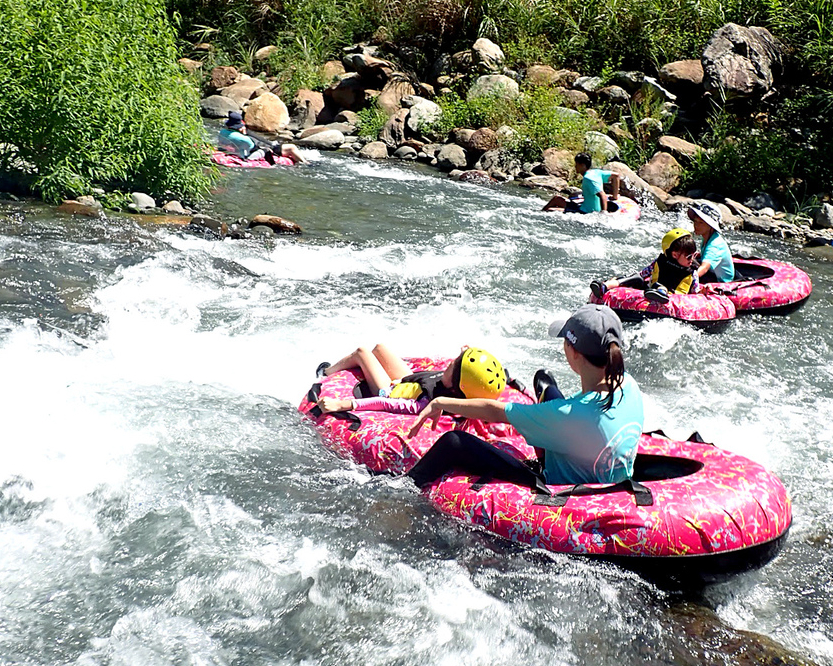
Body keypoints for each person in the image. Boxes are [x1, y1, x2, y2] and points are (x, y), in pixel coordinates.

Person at [405, 304, 644, 492]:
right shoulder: (630, 386)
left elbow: (495, 411)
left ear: (574, 353)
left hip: (564, 490)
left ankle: (402, 488)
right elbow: (575, 412)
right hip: (605, 471)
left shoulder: (565, 416)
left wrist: (440, 402)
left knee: (454, 441)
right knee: (544, 381)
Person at [315, 344, 506, 415]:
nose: (451, 363)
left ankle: (325, 372)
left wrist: (342, 405)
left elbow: (385, 404)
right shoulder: (455, 385)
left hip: (389, 391)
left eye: (455, 364)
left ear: (459, 384)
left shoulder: (428, 403)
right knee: (379, 348)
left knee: (362, 353)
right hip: (410, 382)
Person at [589, 228, 700, 304]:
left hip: (673, 297)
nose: (692, 260)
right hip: (651, 290)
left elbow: (695, 293)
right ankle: (605, 286)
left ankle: (661, 292)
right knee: (636, 278)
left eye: (694, 255)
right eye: (689, 256)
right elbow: (643, 274)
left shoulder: (692, 272)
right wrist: (623, 280)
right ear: (674, 255)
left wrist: (703, 292)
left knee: (659, 286)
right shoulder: (659, 262)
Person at [542, 153, 621, 214]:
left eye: (577, 164)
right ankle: (540, 212)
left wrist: (603, 213)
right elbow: (616, 176)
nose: (575, 166)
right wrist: (615, 196)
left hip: (586, 211)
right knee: (556, 199)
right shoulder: (596, 172)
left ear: (583, 165)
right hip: (583, 205)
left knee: (550, 210)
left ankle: (540, 214)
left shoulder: (588, 179)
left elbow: (602, 195)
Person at [218, 111, 306, 164]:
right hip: (262, 149)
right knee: (292, 147)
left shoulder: (222, 132)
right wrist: (244, 134)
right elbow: (252, 146)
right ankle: (305, 163)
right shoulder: (243, 138)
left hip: (254, 147)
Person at [688, 201, 734, 283]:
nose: (696, 225)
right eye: (695, 221)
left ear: (710, 226)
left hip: (722, 281)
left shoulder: (715, 244)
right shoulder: (707, 236)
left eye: (701, 223)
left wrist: (685, 281)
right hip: (713, 273)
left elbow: (704, 268)